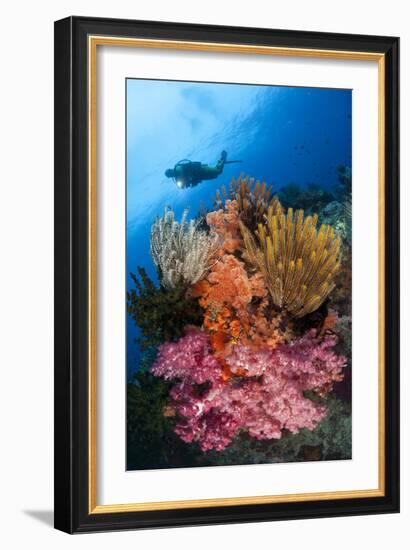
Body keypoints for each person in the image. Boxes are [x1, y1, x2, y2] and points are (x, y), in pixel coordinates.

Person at [165, 151, 241, 189]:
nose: (171, 174)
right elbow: (184, 186)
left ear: (171, 170)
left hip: (201, 169)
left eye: (170, 172)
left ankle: (222, 158)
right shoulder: (177, 178)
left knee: (217, 171)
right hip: (200, 177)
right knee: (215, 176)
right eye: (169, 175)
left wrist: (183, 180)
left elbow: (182, 173)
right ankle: (221, 161)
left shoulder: (177, 168)